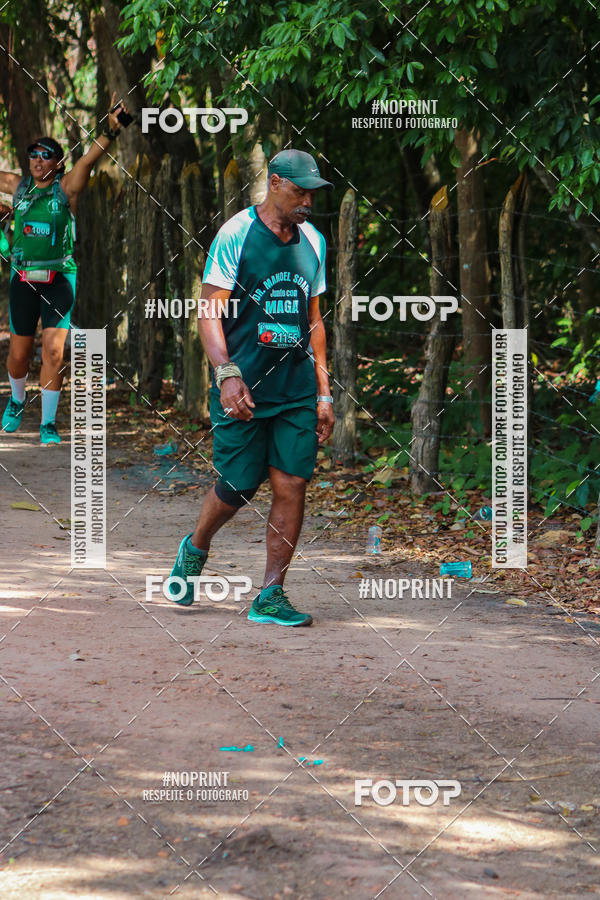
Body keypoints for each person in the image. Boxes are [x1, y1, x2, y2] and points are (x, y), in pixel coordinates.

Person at [168, 149, 335, 626]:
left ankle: (270, 594)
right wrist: (226, 373)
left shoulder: (315, 242)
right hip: (242, 386)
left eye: (313, 194)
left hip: (296, 388)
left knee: (292, 482)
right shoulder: (236, 234)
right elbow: (209, 313)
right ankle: (195, 546)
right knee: (239, 484)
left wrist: (324, 391)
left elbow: (314, 320)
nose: (307, 202)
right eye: (300, 191)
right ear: (275, 183)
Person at [1, 92, 127, 443]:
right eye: (33, 154)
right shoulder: (17, 186)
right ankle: (16, 400)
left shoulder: (66, 188)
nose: (38, 160)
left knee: (54, 352)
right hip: (23, 277)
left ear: (57, 163)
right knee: (19, 355)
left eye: (46, 155)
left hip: (59, 278)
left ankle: (48, 423)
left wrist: (112, 130)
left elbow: (89, 159)